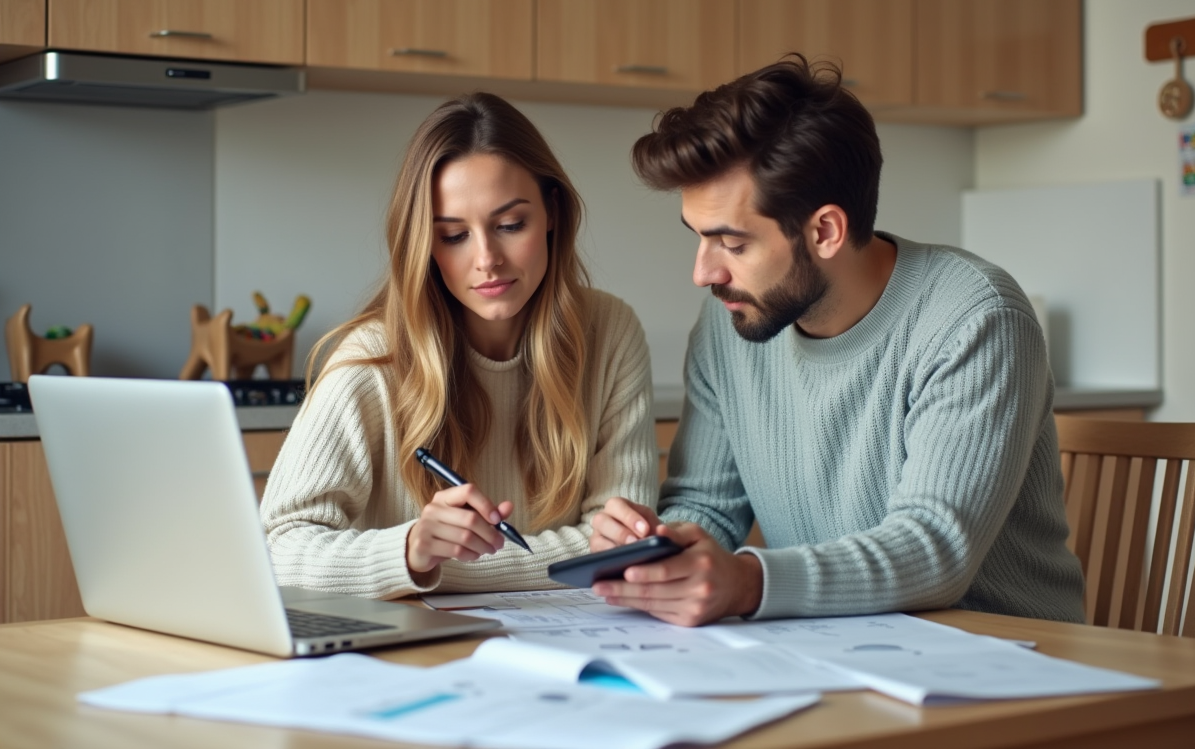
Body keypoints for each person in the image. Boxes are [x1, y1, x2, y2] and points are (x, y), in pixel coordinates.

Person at [589, 55, 1086, 627]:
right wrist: (655, 548)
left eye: (733, 244)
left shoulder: (974, 317)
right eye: (699, 237)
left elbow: (935, 548)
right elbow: (706, 508)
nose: (703, 273)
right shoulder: (730, 324)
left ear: (825, 230)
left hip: (1005, 651)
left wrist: (746, 582)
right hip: (832, 645)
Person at [261, 93, 658, 597]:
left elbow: (619, 547)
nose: (487, 259)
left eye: (510, 225)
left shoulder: (610, 332)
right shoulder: (372, 360)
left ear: (552, 212)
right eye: (453, 236)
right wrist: (410, 551)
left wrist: (443, 568)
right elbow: (277, 550)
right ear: (424, 244)